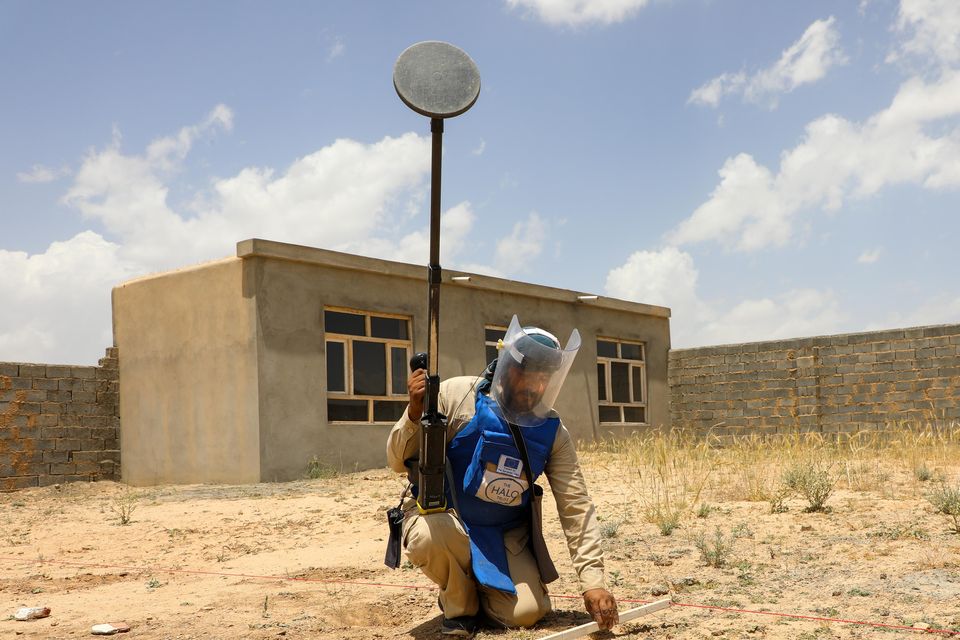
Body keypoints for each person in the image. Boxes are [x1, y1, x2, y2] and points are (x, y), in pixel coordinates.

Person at [386, 315, 618, 637]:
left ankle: (485, 592)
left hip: (505, 532)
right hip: (448, 519)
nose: (536, 386)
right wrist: (414, 411)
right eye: (529, 375)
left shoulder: (552, 432)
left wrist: (593, 583)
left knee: (527, 613)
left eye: (544, 379)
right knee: (429, 534)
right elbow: (397, 460)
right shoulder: (456, 396)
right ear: (508, 368)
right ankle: (459, 605)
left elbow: (576, 505)